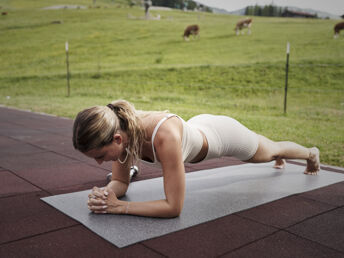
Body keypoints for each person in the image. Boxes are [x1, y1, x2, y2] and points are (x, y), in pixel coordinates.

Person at [73, 100, 320, 218]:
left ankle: (311, 153)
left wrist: (120, 207)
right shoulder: (122, 130)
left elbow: (173, 208)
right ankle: (282, 156)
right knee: (267, 147)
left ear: (116, 139)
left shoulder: (163, 137)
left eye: (100, 156)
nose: (99, 163)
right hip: (198, 126)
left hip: (222, 136)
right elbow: (121, 182)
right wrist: (106, 194)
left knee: (272, 151)